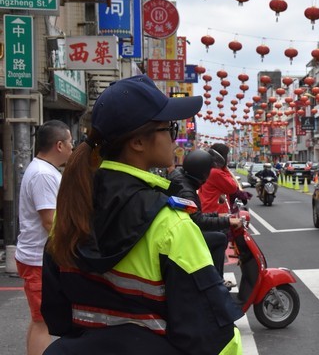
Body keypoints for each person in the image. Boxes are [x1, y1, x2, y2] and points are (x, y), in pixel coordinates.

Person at [41, 75, 243, 354]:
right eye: (170, 129)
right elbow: (213, 338)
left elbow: (58, 316)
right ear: (137, 142)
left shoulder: (70, 215)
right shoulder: (170, 225)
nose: (176, 139)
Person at [15, 120, 73, 355]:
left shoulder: (43, 170)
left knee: (39, 319)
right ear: (59, 145)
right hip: (38, 258)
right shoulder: (43, 174)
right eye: (70, 142)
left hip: (35, 256)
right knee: (44, 322)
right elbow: (49, 221)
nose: (72, 146)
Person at [167, 149, 242, 278]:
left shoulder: (181, 180)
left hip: (178, 230)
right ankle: (215, 280)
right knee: (220, 238)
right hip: (180, 236)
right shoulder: (186, 191)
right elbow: (198, 221)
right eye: (207, 173)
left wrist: (218, 215)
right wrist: (227, 221)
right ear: (201, 173)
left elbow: (193, 214)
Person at [200, 143, 242, 214]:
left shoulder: (208, 169)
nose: (228, 158)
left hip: (207, 210)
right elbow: (232, 187)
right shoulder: (216, 172)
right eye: (226, 155)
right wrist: (225, 169)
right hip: (216, 213)